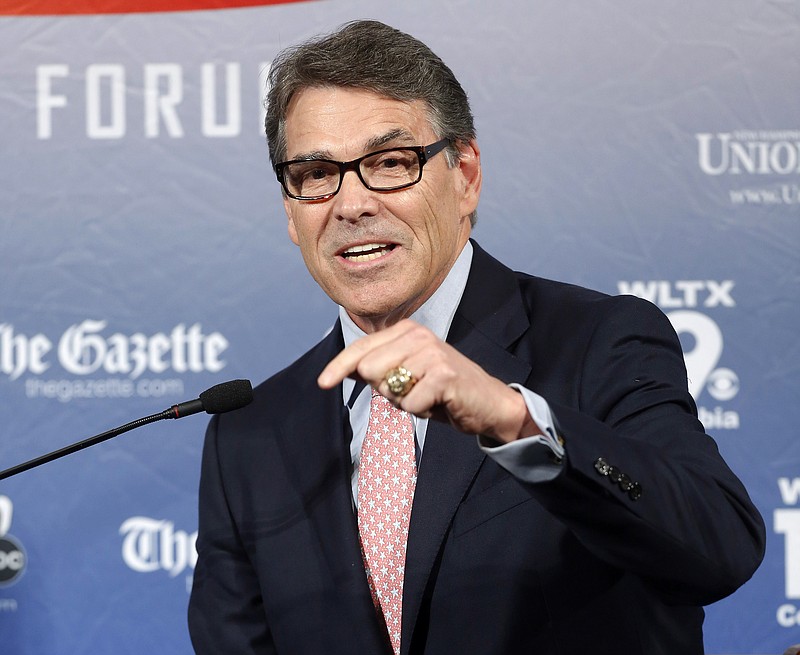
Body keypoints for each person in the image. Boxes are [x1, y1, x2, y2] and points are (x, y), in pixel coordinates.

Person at [188, 19, 765, 655]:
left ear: (465, 175)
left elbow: (720, 550)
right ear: (291, 211)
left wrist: (515, 420)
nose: (350, 204)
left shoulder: (600, 342)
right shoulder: (250, 434)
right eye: (317, 173)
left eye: (389, 163)